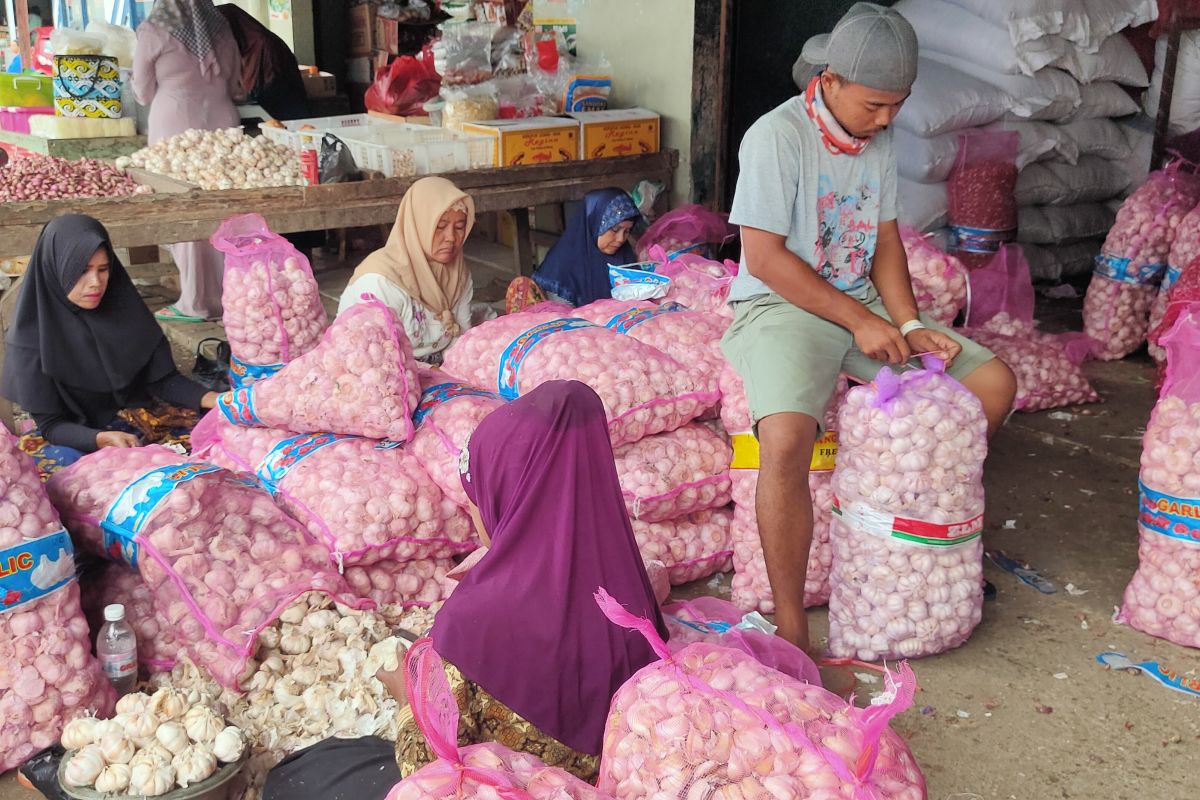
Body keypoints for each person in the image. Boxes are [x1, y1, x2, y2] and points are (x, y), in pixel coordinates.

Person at [721, 3, 1017, 653]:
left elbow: (884, 241)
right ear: (829, 82)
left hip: (865, 304)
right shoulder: (776, 137)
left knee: (992, 385)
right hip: (780, 307)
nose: (887, 121)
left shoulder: (875, 139)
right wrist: (859, 321)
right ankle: (793, 625)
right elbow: (766, 258)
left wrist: (907, 323)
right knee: (787, 439)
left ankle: (916, 545)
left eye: (898, 105)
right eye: (875, 105)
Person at [262, 381, 667, 798]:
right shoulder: (630, 579)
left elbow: (429, 770)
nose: (473, 511)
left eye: (476, 495)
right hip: (612, 780)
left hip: (515, 789)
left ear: (510, 495)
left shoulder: (477, 619)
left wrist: (406, 697)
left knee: (302, 775)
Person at [1, 215, 223, 465]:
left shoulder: (124, 311)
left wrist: (217, 400)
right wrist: (101, 438)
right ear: (54, 269)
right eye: (81, 271)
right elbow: (52, 426)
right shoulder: (30, 341)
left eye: (103, 269)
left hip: (142, 420)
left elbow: (163, 381)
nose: (95, 283)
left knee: (217, 452)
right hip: (77, 437)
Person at [134, 0, 242, 323]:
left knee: (184, 211)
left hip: (175, 129)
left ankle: (194, 300)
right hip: (223, 126)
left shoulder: (153, 30)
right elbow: (237, 86)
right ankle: (233, 297)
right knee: (226, 211)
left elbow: (141, 91)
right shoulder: (221, 28)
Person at [338, 177, 475, 362]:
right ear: (418, 226)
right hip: (384, 377)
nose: (451, 237)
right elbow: (373, 361)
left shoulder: (458, 275)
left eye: (459, 227)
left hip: (435, 375)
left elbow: (461, 342)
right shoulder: (380, 281)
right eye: (440, 227)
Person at [507, 187, 641, 311]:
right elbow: (567, 321)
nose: (620, 239)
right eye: (615, 229)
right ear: (593, 223)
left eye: (627, 231)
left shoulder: (625, 257)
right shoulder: (562, 266)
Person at [216, 2, 308, 122]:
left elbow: (266, 87)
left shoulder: (262, 44)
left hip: (285, 109)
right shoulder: (241, 45)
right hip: (270, 107)